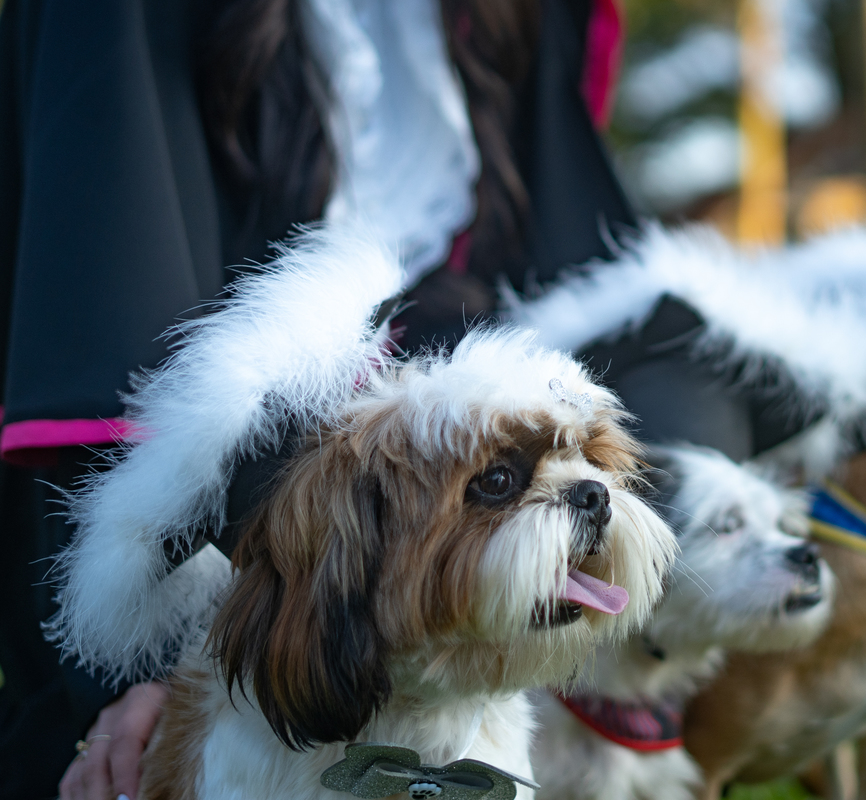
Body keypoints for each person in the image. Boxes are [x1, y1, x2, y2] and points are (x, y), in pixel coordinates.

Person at [0, 1, 633, 797]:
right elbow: (102, 316)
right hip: (240, 577)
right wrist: (135, 668)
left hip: (467, 626)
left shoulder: (505, 27)